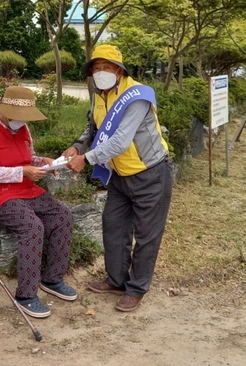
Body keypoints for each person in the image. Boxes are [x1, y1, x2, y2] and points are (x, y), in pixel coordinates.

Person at [63, 44, 173, 312]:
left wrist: (85, 159)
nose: (100, 72)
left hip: (151, 174)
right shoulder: (98, 95)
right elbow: (93, 128)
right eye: (96, 68)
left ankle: (136, 289)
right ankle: (116, 280)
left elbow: (121, 141)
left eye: (106, 67)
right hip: (120, 175)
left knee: (147, 235)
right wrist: (78, 146)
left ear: (119, 70)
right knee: (113, 225)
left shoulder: (137, 96)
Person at [0, 86, 76, 318]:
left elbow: (28, 158)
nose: (23, 121)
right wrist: (23, 172)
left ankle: (52, 279)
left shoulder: (23, 127)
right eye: (20, 117)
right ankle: (26, 294)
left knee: (63, 217)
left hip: (26, 188)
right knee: (32, 227)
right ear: (6, 111)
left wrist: (44, 162)